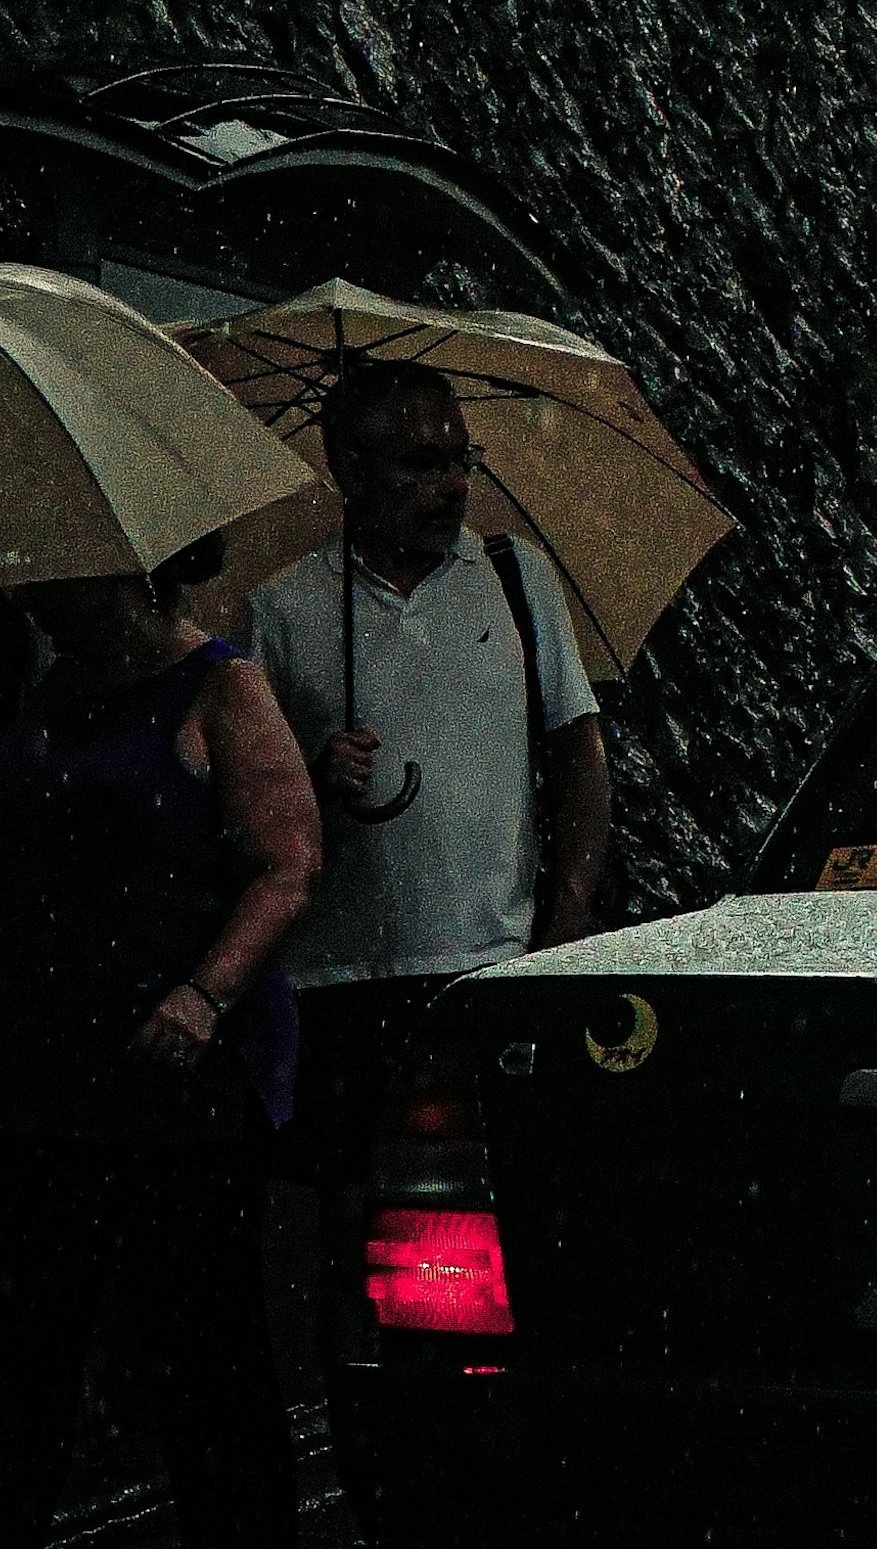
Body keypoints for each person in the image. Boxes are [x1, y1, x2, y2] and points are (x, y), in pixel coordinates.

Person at [0, 547, 324, 1549]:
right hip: (38, 1081)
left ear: (131, 574)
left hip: (174, 1091)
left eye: (60, 579)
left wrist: (207, 992)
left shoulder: (222, 690)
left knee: (203, 1349)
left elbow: (287, 863)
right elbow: (32, 847)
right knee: (22, 1354)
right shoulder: (45, 697)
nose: (37, 596)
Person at [245, 357, 612, 1266]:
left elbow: (580, 756)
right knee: (340, 1219)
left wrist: (563, 930)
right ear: (350, 469)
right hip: (334, 979)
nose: (450, 485)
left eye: (460, 459)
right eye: (419, 463)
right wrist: (311, 780)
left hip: (487, 968)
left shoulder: (514, 578)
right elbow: (246, 815)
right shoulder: (283, 613)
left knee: (490, 1227)